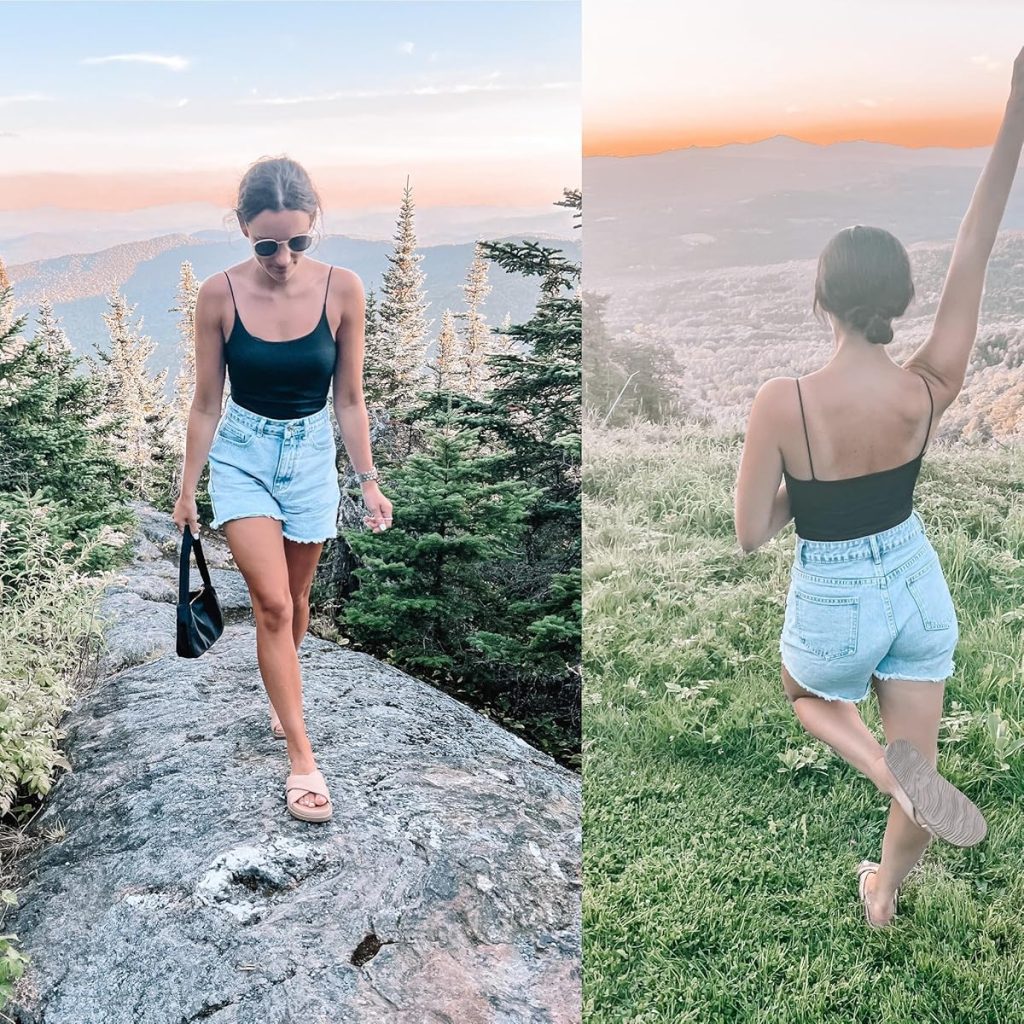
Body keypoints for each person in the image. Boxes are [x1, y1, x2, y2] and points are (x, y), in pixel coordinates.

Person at [734, 48, 1024, 927]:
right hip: (915, 584)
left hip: (835, 589)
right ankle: (885, 897)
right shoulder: (927, 388)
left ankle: (876, 765)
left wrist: (798, 489)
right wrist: (1014, 114)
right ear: (899, 298)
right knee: (919, 754)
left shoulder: (782, 403)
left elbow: (751, 533)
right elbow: (974, 248)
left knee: (806, 692)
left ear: (818, 298)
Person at [172, 156, 394, 823]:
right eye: (267, 243)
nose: (282, 256)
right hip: (241, 454)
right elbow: (206, 403)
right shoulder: (219, 295)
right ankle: (302, 756)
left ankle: (282, 691)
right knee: (270, 604)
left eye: (297, 240)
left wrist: (368, 482)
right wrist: (187, 489)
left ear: (312, 227)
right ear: (243, 229)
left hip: (309, 460)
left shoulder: (344, 289)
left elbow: (350, 400)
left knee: (297, 601)